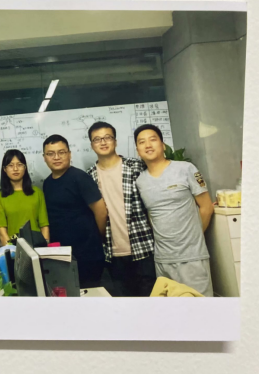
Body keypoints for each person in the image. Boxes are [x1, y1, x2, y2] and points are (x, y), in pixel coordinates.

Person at [135, 124, 215, 297]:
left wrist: (193, 238)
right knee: (172, 311)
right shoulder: (140, 181)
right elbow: (151, 216)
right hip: (162, 260)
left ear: (163, 145)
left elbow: (206, 207)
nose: (148, 145)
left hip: (192, 257)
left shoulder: (185, 169)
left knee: (200, 307)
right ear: (138, 151)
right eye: (142, 142)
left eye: (153, 139)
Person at [86, 122, 156, 297]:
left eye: (107, 137)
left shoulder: (137, 167)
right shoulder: (89, 177)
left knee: (151, 303)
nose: (103, 142)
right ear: (92, 145)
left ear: (115, 141)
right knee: (123, 305)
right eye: (97, 139)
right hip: (112, 253)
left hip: (143, 247)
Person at [42, 135, 108, 289]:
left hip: (87, 256)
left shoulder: (80, 177)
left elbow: (101, 212)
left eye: (61, 152)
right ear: (44, 157)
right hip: (63, 256)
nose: (56, 157)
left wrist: (96, 238)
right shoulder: (47, 183)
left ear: (69, 154)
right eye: (51, 154)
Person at [0, 150, 50, 247]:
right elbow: (2, 231)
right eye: (11, 165)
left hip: (37, 246)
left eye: (19, 165)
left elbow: (44, 226)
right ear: (4, 169)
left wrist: (44, 248)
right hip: (13, 248)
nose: (15, 169)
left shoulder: (37, 193)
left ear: (25, 167)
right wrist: (13, 251)